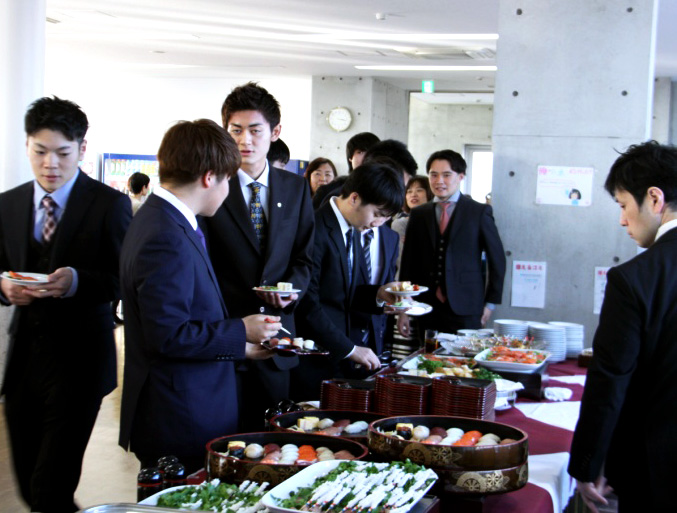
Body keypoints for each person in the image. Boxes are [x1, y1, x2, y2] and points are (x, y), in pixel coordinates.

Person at [119, 119, 279, 473]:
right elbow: (168, 335)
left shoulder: (166, 220)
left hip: (185, 403)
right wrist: (241, 330)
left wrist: (240, 348)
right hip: (180, 413)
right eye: (228, 181)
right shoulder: (165, 234)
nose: (229, 191)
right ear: (210, 177)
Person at [0, 96, 132, 513]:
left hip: (81, 360)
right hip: (24, 361)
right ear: (27, 146)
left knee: (49, 487)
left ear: (82, 149)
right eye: (40, 151)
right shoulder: (8, 204)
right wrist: (5, 289)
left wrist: (76, 281)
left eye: (62, 152)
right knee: (26, 483)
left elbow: (121, 278)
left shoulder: (108, 204)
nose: (50, 164)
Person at [568, 141, 677, 512]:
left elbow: (609, 379)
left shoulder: (634, 279)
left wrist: (587, 463)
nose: (622, 220)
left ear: (654, 198)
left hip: (653, 466)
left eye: (623, 205)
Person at [204, 82, 314, 431]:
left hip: (277, 339)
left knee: (271, 442)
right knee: (225, 441)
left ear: (275, 132)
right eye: (235, 130)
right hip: (226, 337)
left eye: (255, 130)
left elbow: (305, 258)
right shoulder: (210, 184)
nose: (244, 141)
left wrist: (290, 290)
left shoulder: (295, 188)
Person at [292, 162, 404, 397]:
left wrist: (379, 294)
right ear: (354, 198)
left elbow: (344, 293)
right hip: (317, 358)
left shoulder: (353, 227)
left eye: (385, 218)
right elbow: (307, 303)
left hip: (342, 358)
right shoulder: (316, 229)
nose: (377, 224)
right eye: (377, 214)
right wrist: (350, 349)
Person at [399, 149, 506, 338]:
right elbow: (409, 263)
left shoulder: (478, 212)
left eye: (446, 175)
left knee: (463, 363)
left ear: (461, 176)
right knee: (426, 361)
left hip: (467, 305)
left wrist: (490, 303)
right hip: (425, 306)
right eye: (434, 175)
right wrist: (404, 306)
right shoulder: (419, 214)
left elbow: (497, 259)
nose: (439, 181)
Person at [312, 131, 380, 209]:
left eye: (370, 152)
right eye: (360, 152)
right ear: (350, 158)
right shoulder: (329, 190)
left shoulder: (387, 189)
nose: (366, 157)